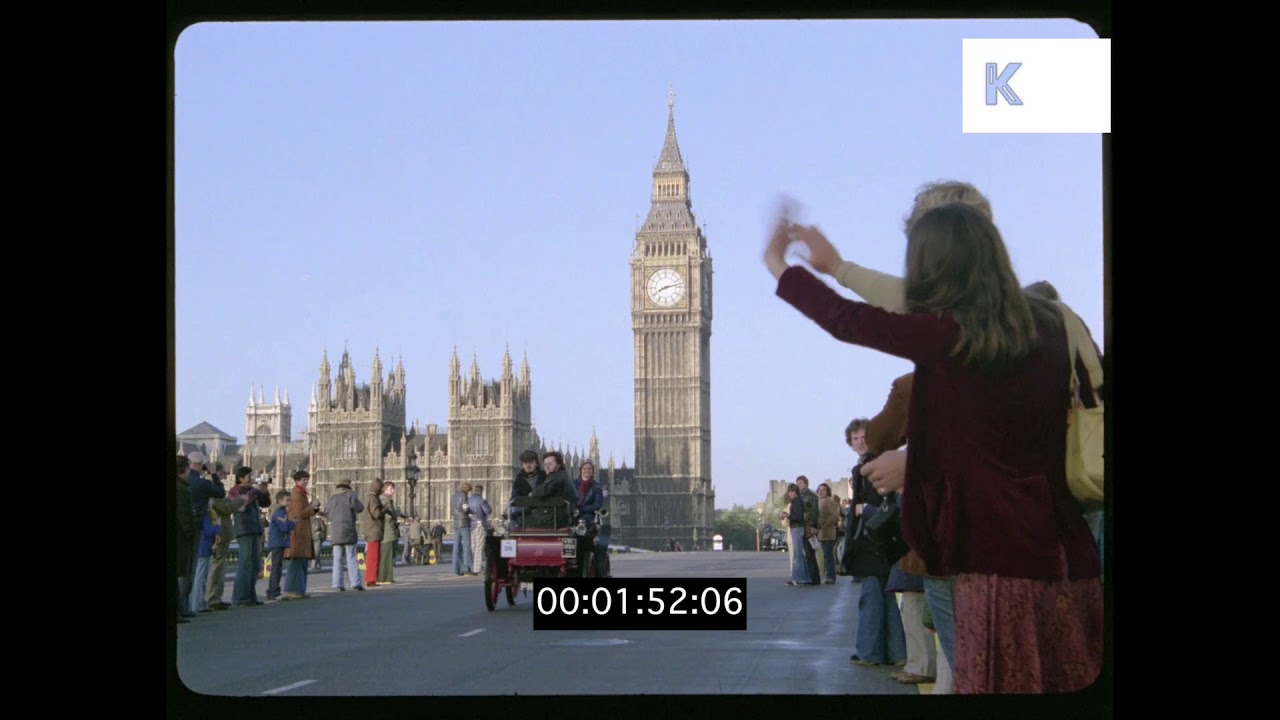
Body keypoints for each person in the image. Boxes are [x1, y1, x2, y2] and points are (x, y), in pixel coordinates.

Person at [766, 199, 1102, 693]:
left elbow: (846, 319)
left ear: (934, 266)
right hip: (1070, 556)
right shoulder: (1053, 326)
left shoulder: (949, 335)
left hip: (995, 566)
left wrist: (780, 265)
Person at [324, 479, 365, 591]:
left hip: (335, 531)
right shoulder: (351, 494)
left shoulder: (332, 497)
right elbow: (359, 507)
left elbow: (326, 511)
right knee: (351, 557)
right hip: (348, 529)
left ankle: (337, 584)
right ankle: (355, 583)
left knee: (337, 558)